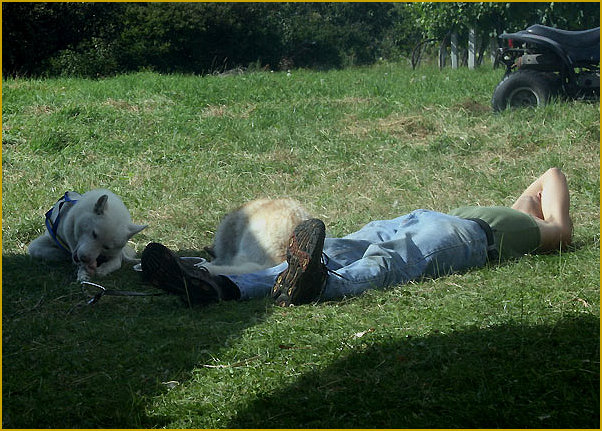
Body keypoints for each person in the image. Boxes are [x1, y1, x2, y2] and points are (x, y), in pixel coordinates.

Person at [140, 168, 573, 307]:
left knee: (395, 258)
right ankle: (221, 284)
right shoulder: (519, 217)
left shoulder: (544, 233)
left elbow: (552, 175)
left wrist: (547, 215)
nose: (532, 201)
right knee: (339, 246)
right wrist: (528, 205)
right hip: (427, 216)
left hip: (467, 237)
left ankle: (323, 284)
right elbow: (536, 191)